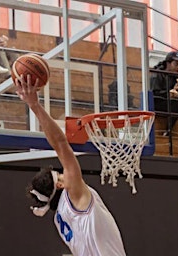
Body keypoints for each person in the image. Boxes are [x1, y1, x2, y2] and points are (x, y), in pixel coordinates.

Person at [16, 74, 127, 256]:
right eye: (61, 175)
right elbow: (60, 144)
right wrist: (34, 105)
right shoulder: (74, 194)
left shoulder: (60, 219)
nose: (65, 172)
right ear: (60, 185)